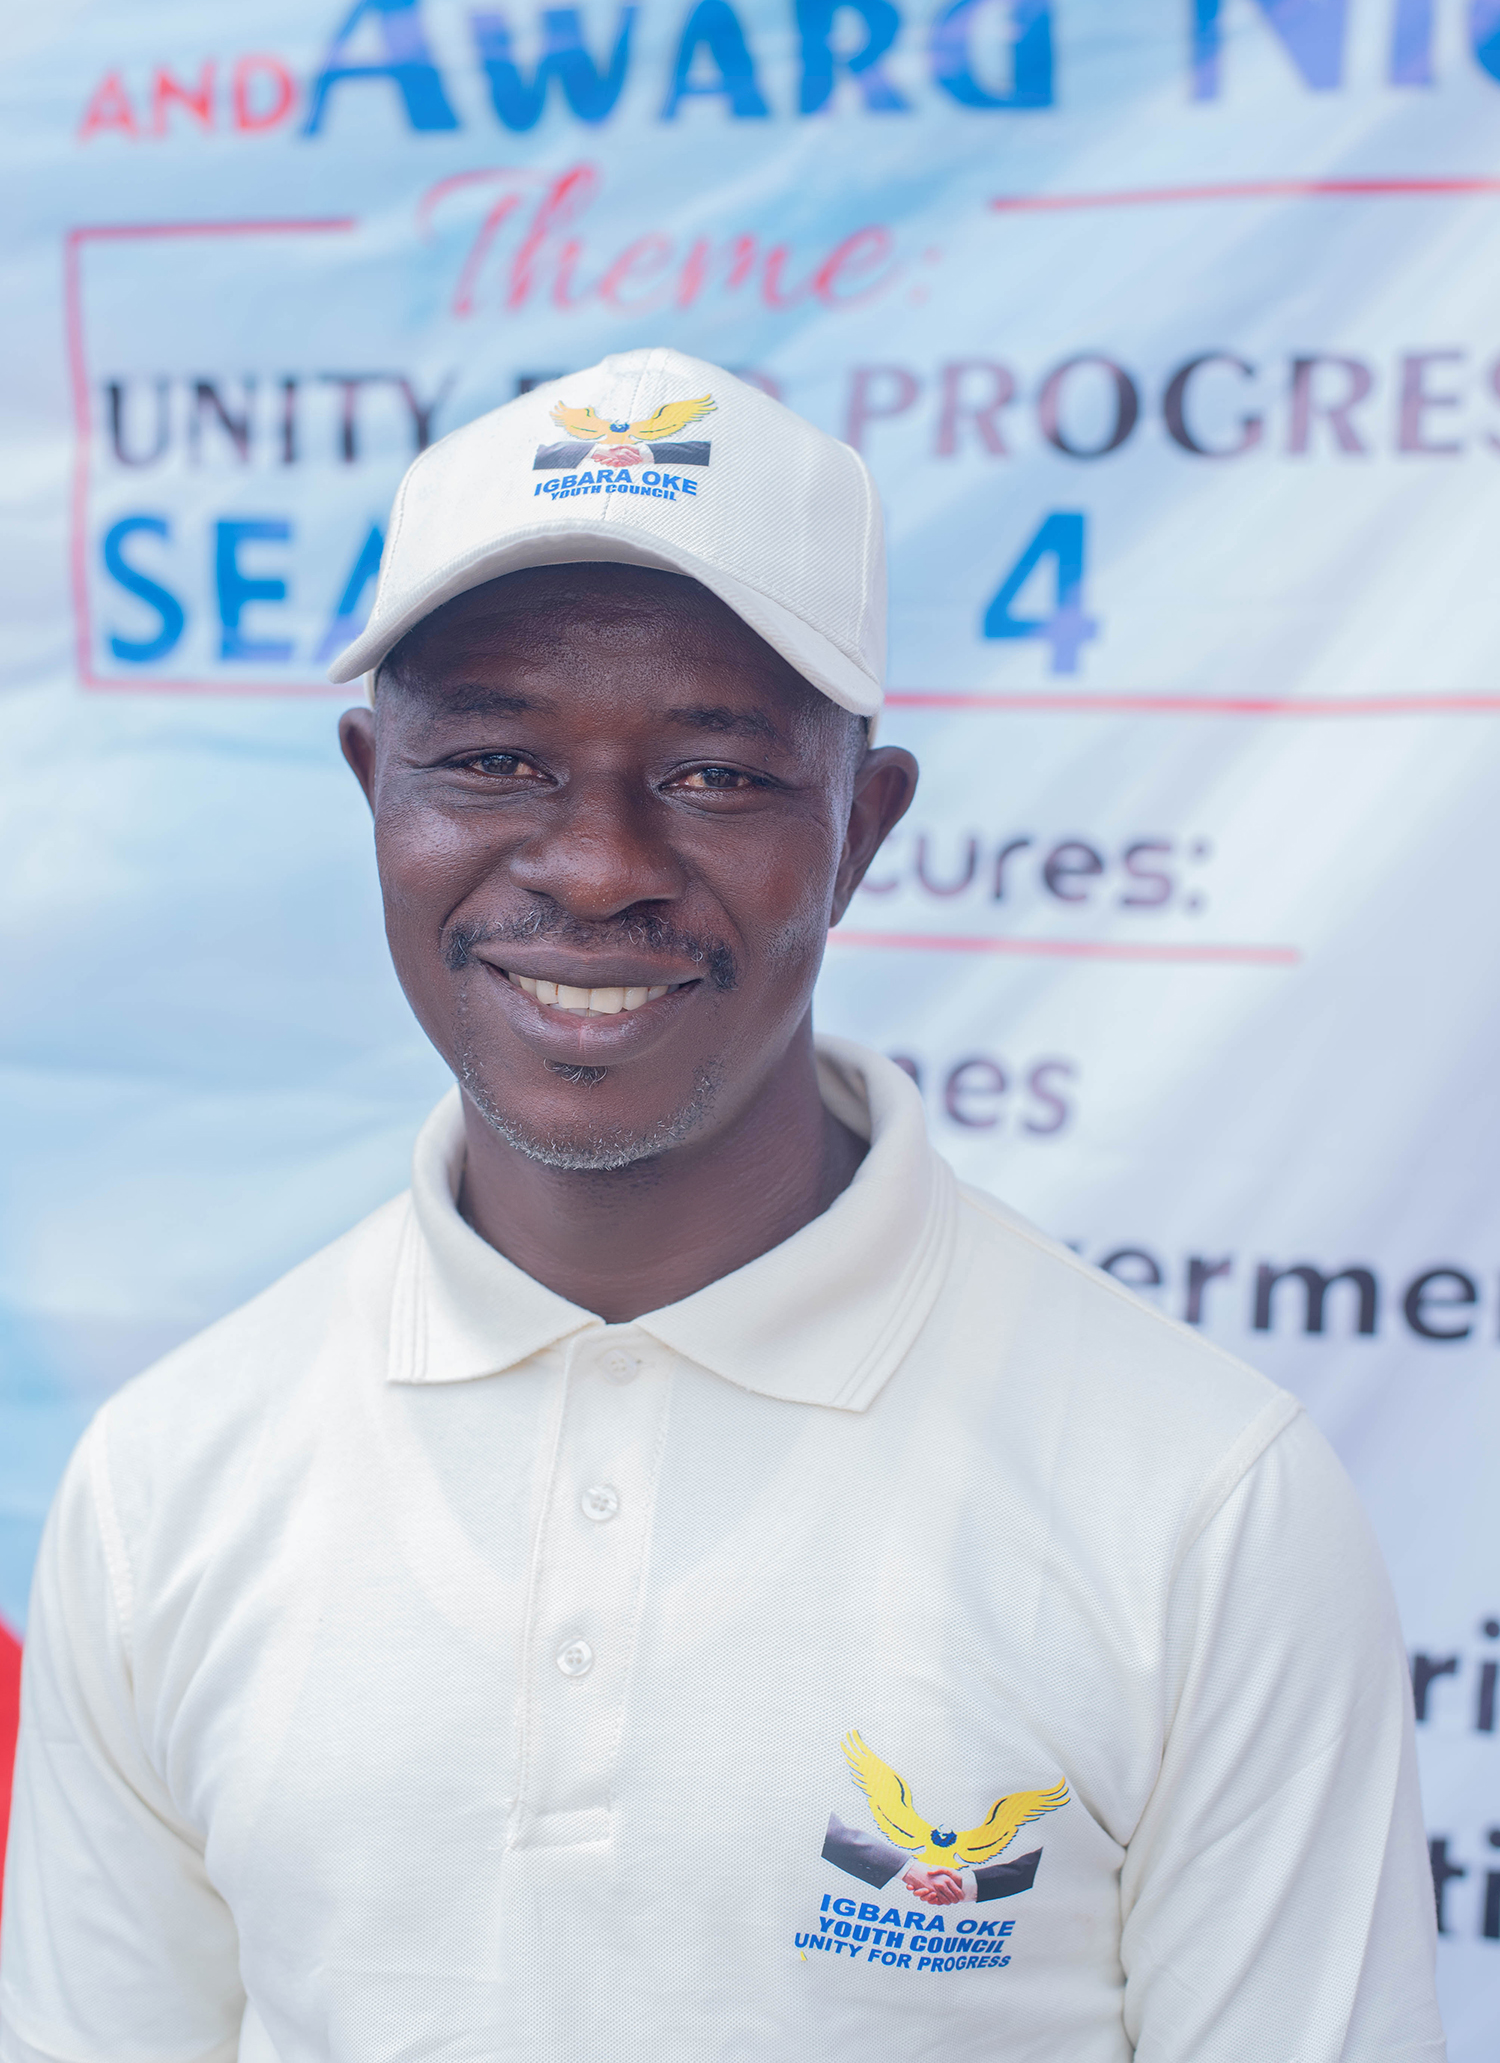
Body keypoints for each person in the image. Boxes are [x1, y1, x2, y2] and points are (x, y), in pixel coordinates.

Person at [0, 349, 1444, 2063]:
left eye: (715, 776)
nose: (597, 863)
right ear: (375, 790)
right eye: (495, 759)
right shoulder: (168, 1483)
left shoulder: (1200, 1504)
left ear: (861, 830)